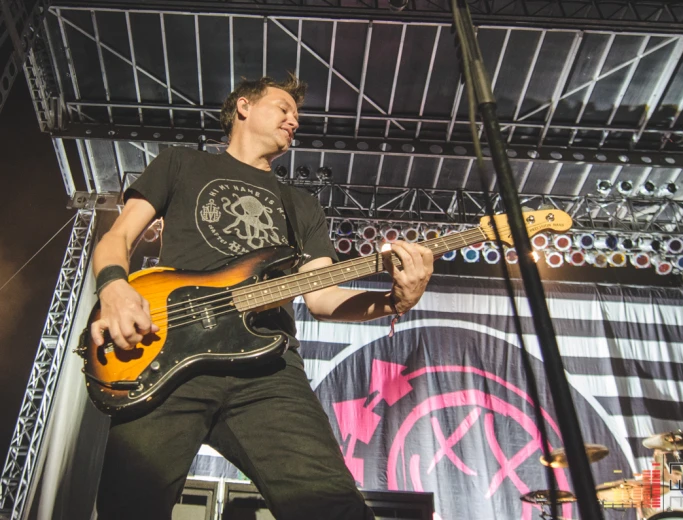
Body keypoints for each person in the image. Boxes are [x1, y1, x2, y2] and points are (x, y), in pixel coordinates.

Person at [89, 74, 434, 520]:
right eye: (284, 108)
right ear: (244, 108)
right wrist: (115, 287)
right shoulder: (180, 164)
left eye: (297, 115)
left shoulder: (301, 205)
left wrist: (394, 302)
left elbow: (322, 297)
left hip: (268, 372)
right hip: (166, 353)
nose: (294, 120)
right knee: (127, 509)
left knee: (335, 509)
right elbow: (116, 238)